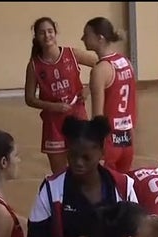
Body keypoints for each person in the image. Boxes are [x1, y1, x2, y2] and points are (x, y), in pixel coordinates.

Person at [24, 16, 98, 175]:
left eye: (50, 31)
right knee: (59, 174)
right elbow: (29, 99)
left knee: (86, 167)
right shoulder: (34, 66)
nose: (47, 35)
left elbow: (101, 63)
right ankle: (64, 199)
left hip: (77, 117)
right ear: (36, 37)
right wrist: (53, 106)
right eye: (42, 33)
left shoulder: (72, 54)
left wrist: (88, 88)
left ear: (55, 33)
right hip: (53, 123)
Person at [81, 17, 137, 173]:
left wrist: (96, 144)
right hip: (127, 137)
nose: (82, 38)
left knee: (106, 190)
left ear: (100, 38)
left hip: (109, 140)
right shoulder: (126, 62)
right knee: (123, 185)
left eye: (86, 34)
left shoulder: (100, 70)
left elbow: (98, 117)